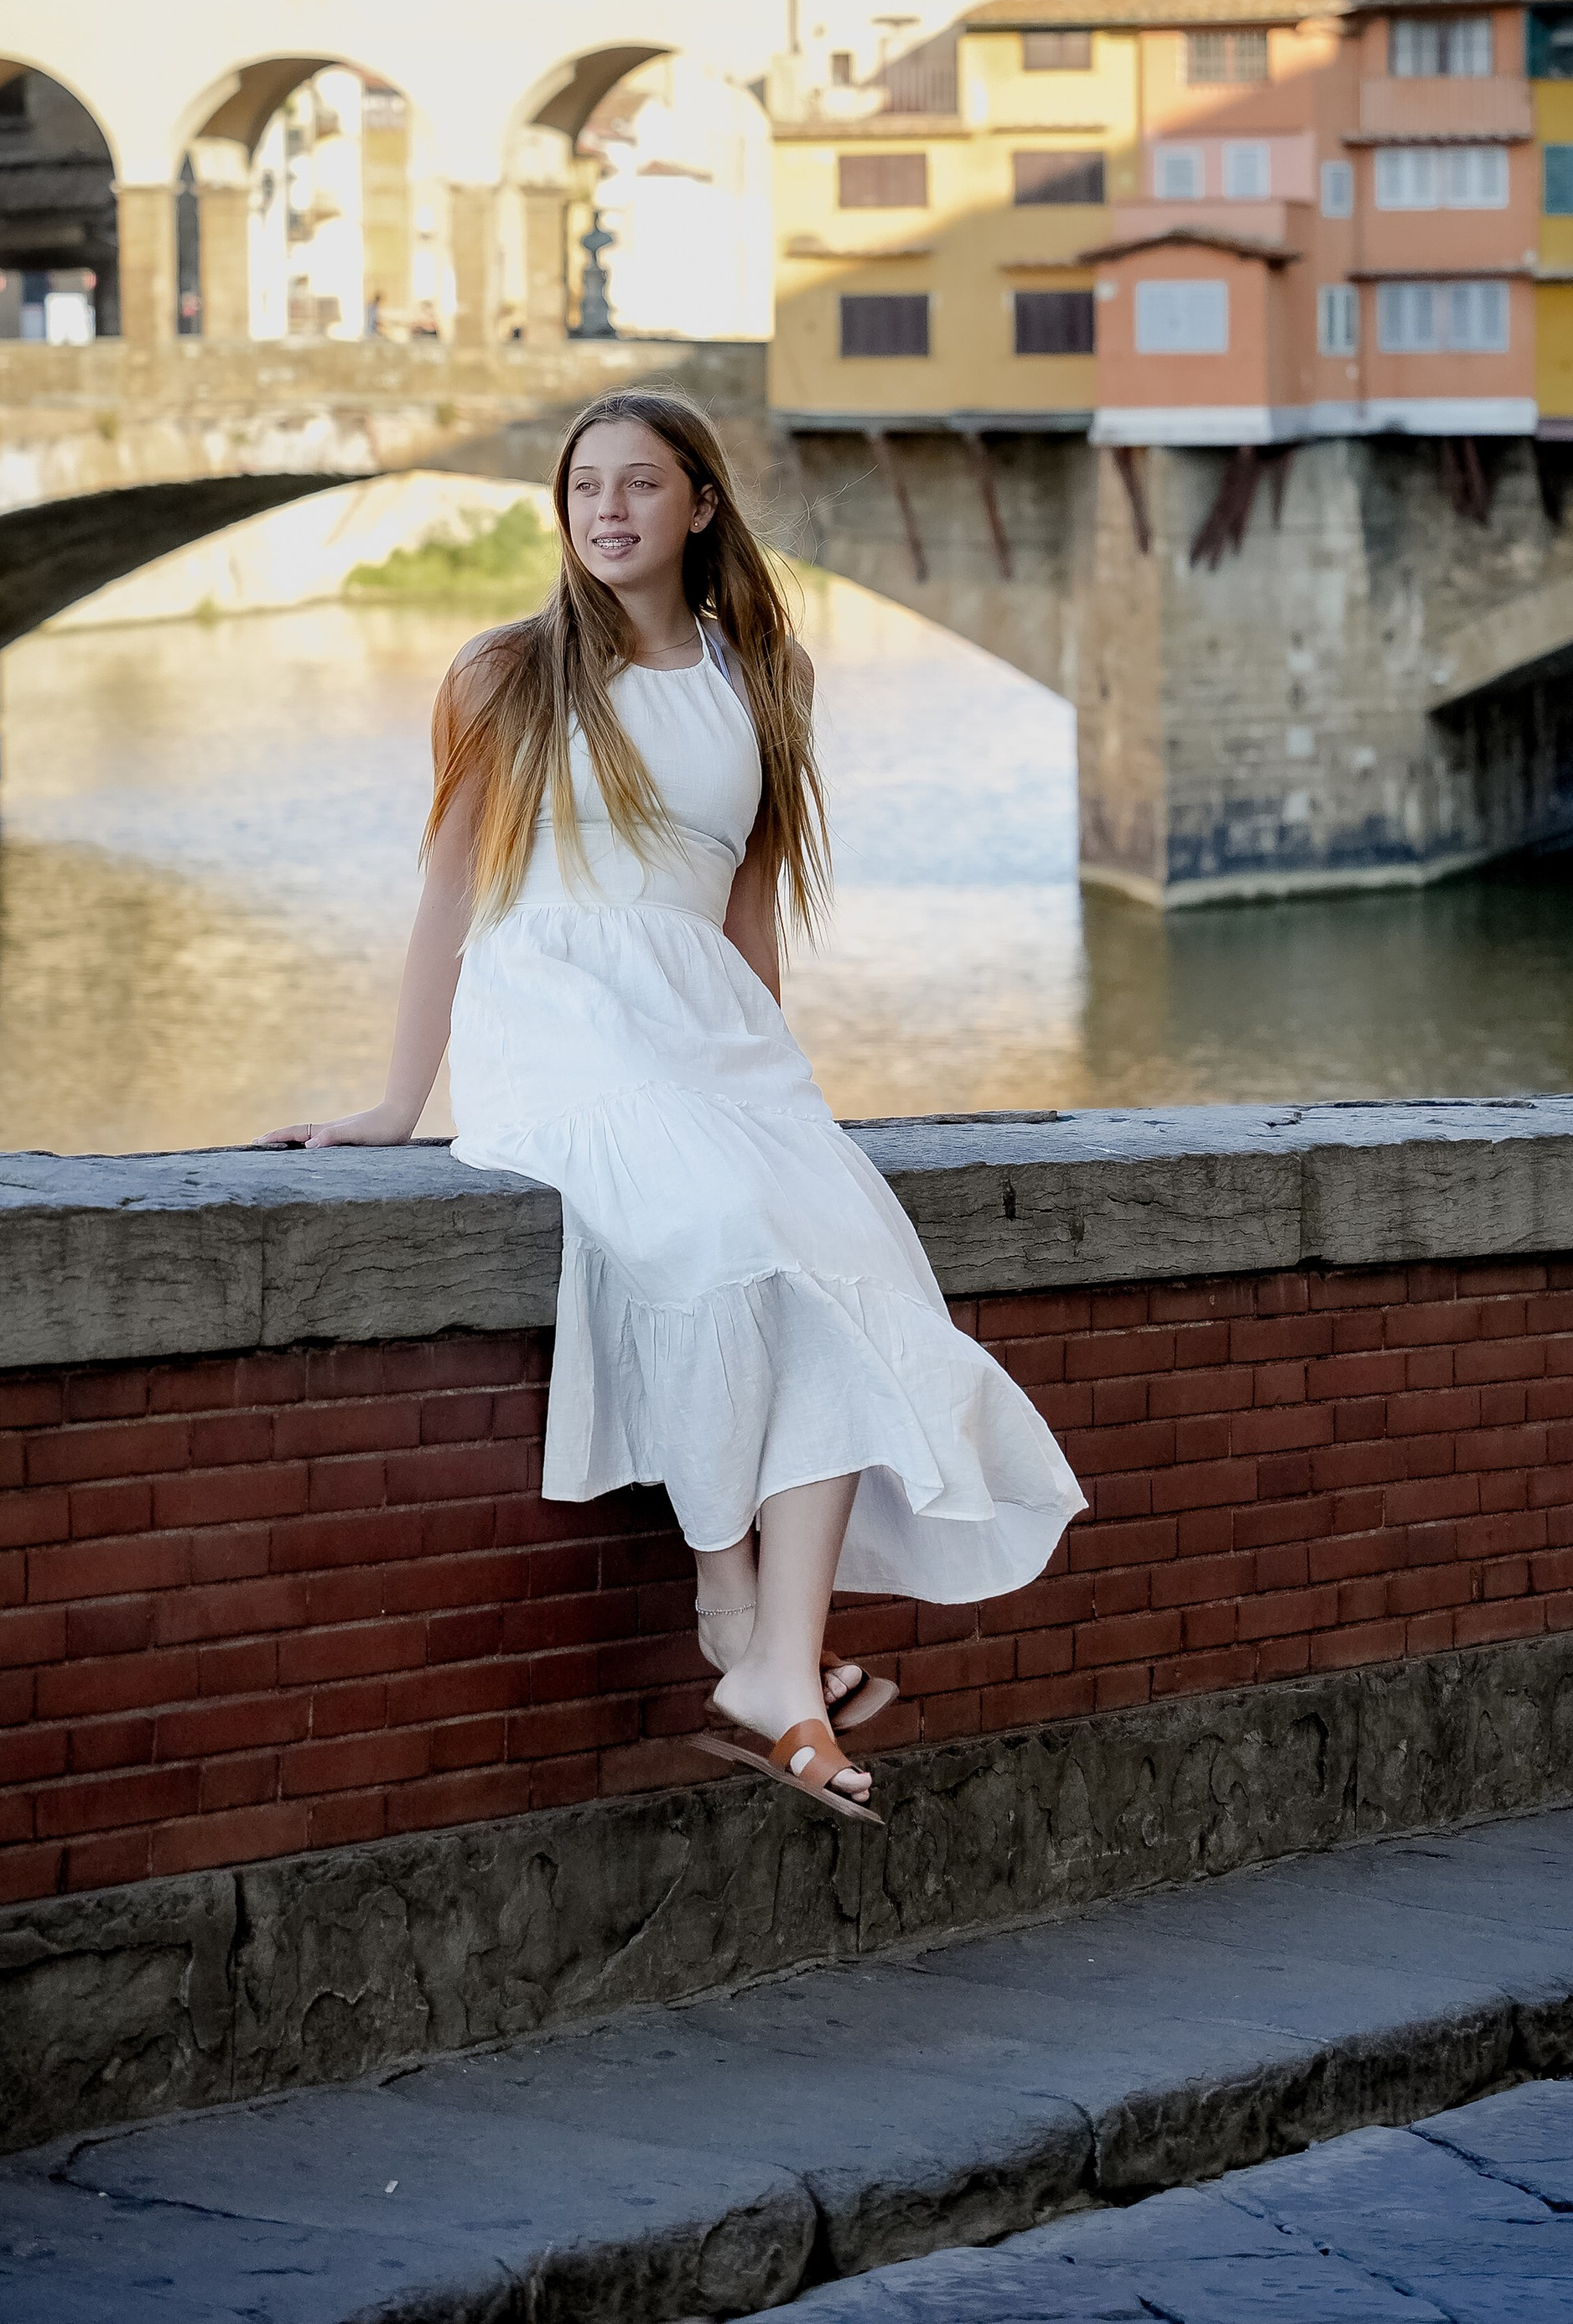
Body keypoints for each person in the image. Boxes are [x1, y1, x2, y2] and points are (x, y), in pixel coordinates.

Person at [259, 392, 1082, 1820]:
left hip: (711, 1031)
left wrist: (786, 1094)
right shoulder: (501, 674)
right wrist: (401, 1103)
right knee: (720, 1233)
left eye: (642, 485)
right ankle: (733, 1612)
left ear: (701, 503)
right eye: (585, 488)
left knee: (846, 1268)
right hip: (557, 1014)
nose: (608, 512)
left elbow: (750, 907)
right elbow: (449, 892)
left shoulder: (767, 674)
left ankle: (776, 1656)